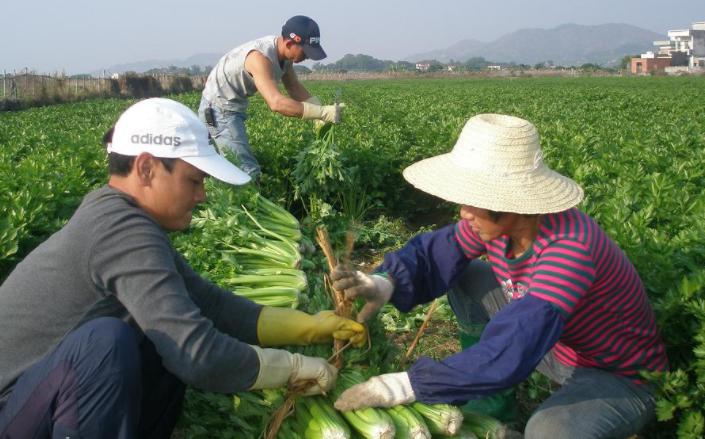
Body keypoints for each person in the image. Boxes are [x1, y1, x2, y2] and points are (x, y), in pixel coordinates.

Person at [0, 98, 365, 438]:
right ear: (146, 168)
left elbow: (211, 305)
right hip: (11, 411)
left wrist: (308, 327)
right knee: (108, 343)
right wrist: (291, 367)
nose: (202, 194)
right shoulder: (118, 228)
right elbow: (196, 354)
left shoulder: (122, 218)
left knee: (160, 347)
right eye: (194, 180)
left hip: (39, 398)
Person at [331, 114, 668, 438]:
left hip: (618, 376)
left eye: (476, 200)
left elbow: (519, 342)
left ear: (511, 202)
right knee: (467, 276)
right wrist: (383, 283)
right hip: (556, 347)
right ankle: (491, 408)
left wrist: (404, 386)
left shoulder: (569, 247)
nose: (464, 212)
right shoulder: (501, 225)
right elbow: (436, 254)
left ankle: (495, 389)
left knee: (548, 431)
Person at [198, 15, 343, 180]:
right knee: (246, 172)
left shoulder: (284, 56)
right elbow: (276, 103)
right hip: (218, 110)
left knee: (222, 166)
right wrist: (322, 112)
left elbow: (293, 86)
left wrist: (318, 110)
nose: (308, 57)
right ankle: (245, 204)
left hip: (232, 108)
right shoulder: (259, 58)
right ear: (289, 43)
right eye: (306, 51)